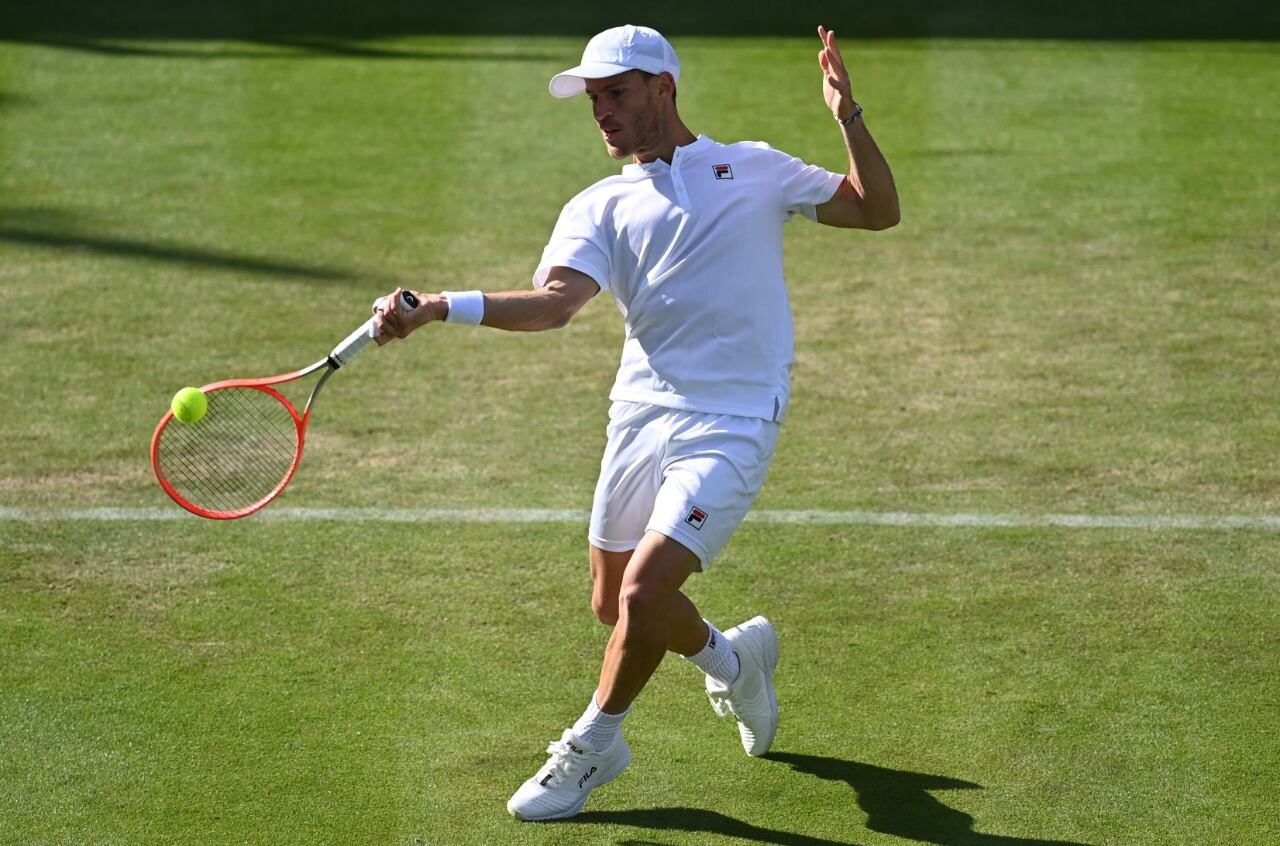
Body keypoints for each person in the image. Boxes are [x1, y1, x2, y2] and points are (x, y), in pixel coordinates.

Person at [373, 23, 898, 821]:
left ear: (664, 88)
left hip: (733, 419)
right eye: (592, 100)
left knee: (648, 593)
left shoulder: (754, 169)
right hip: (641, 413)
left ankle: (595, 743)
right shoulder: (600, 204)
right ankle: (735, 661)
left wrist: (847, 116)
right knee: (613, 602)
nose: (602, 113)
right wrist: (442, 307)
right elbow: (553, 308)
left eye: (615, 93)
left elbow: (876, 212)